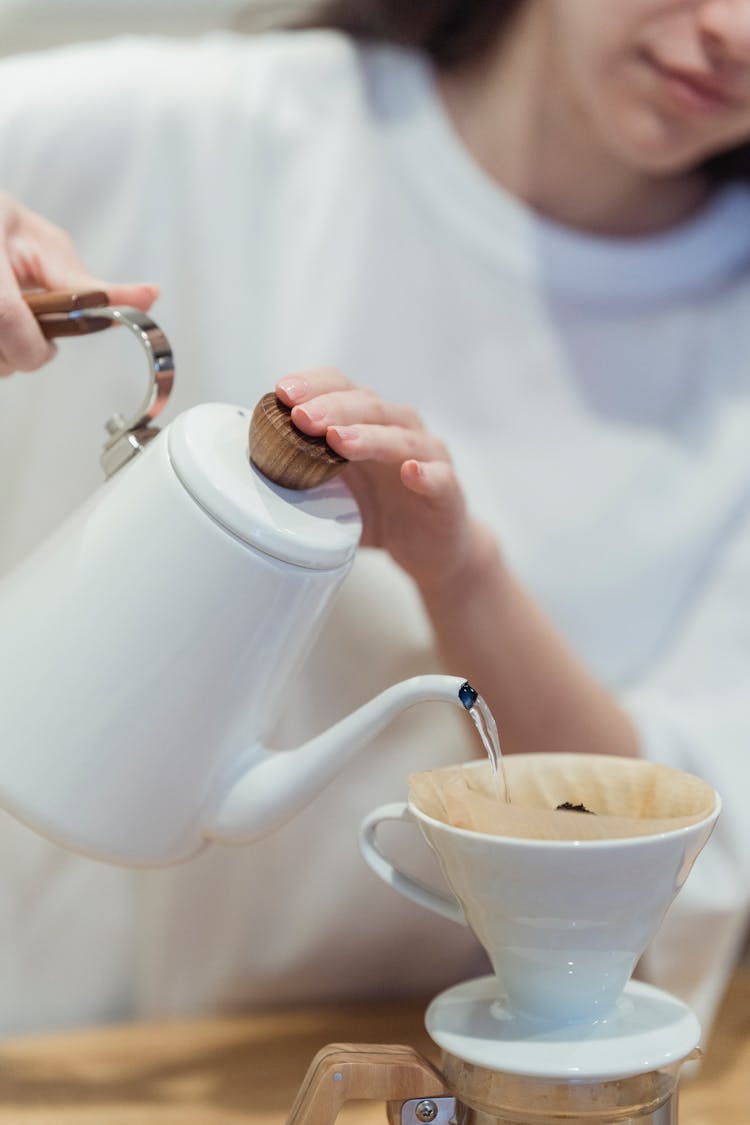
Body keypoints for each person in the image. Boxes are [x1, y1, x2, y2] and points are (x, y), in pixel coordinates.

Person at [0, 0, 748, 1041]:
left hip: (431, 1062)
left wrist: (462, 575)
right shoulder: (219, 126)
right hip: (52, 1045)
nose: (736, 32)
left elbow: (666, 860)